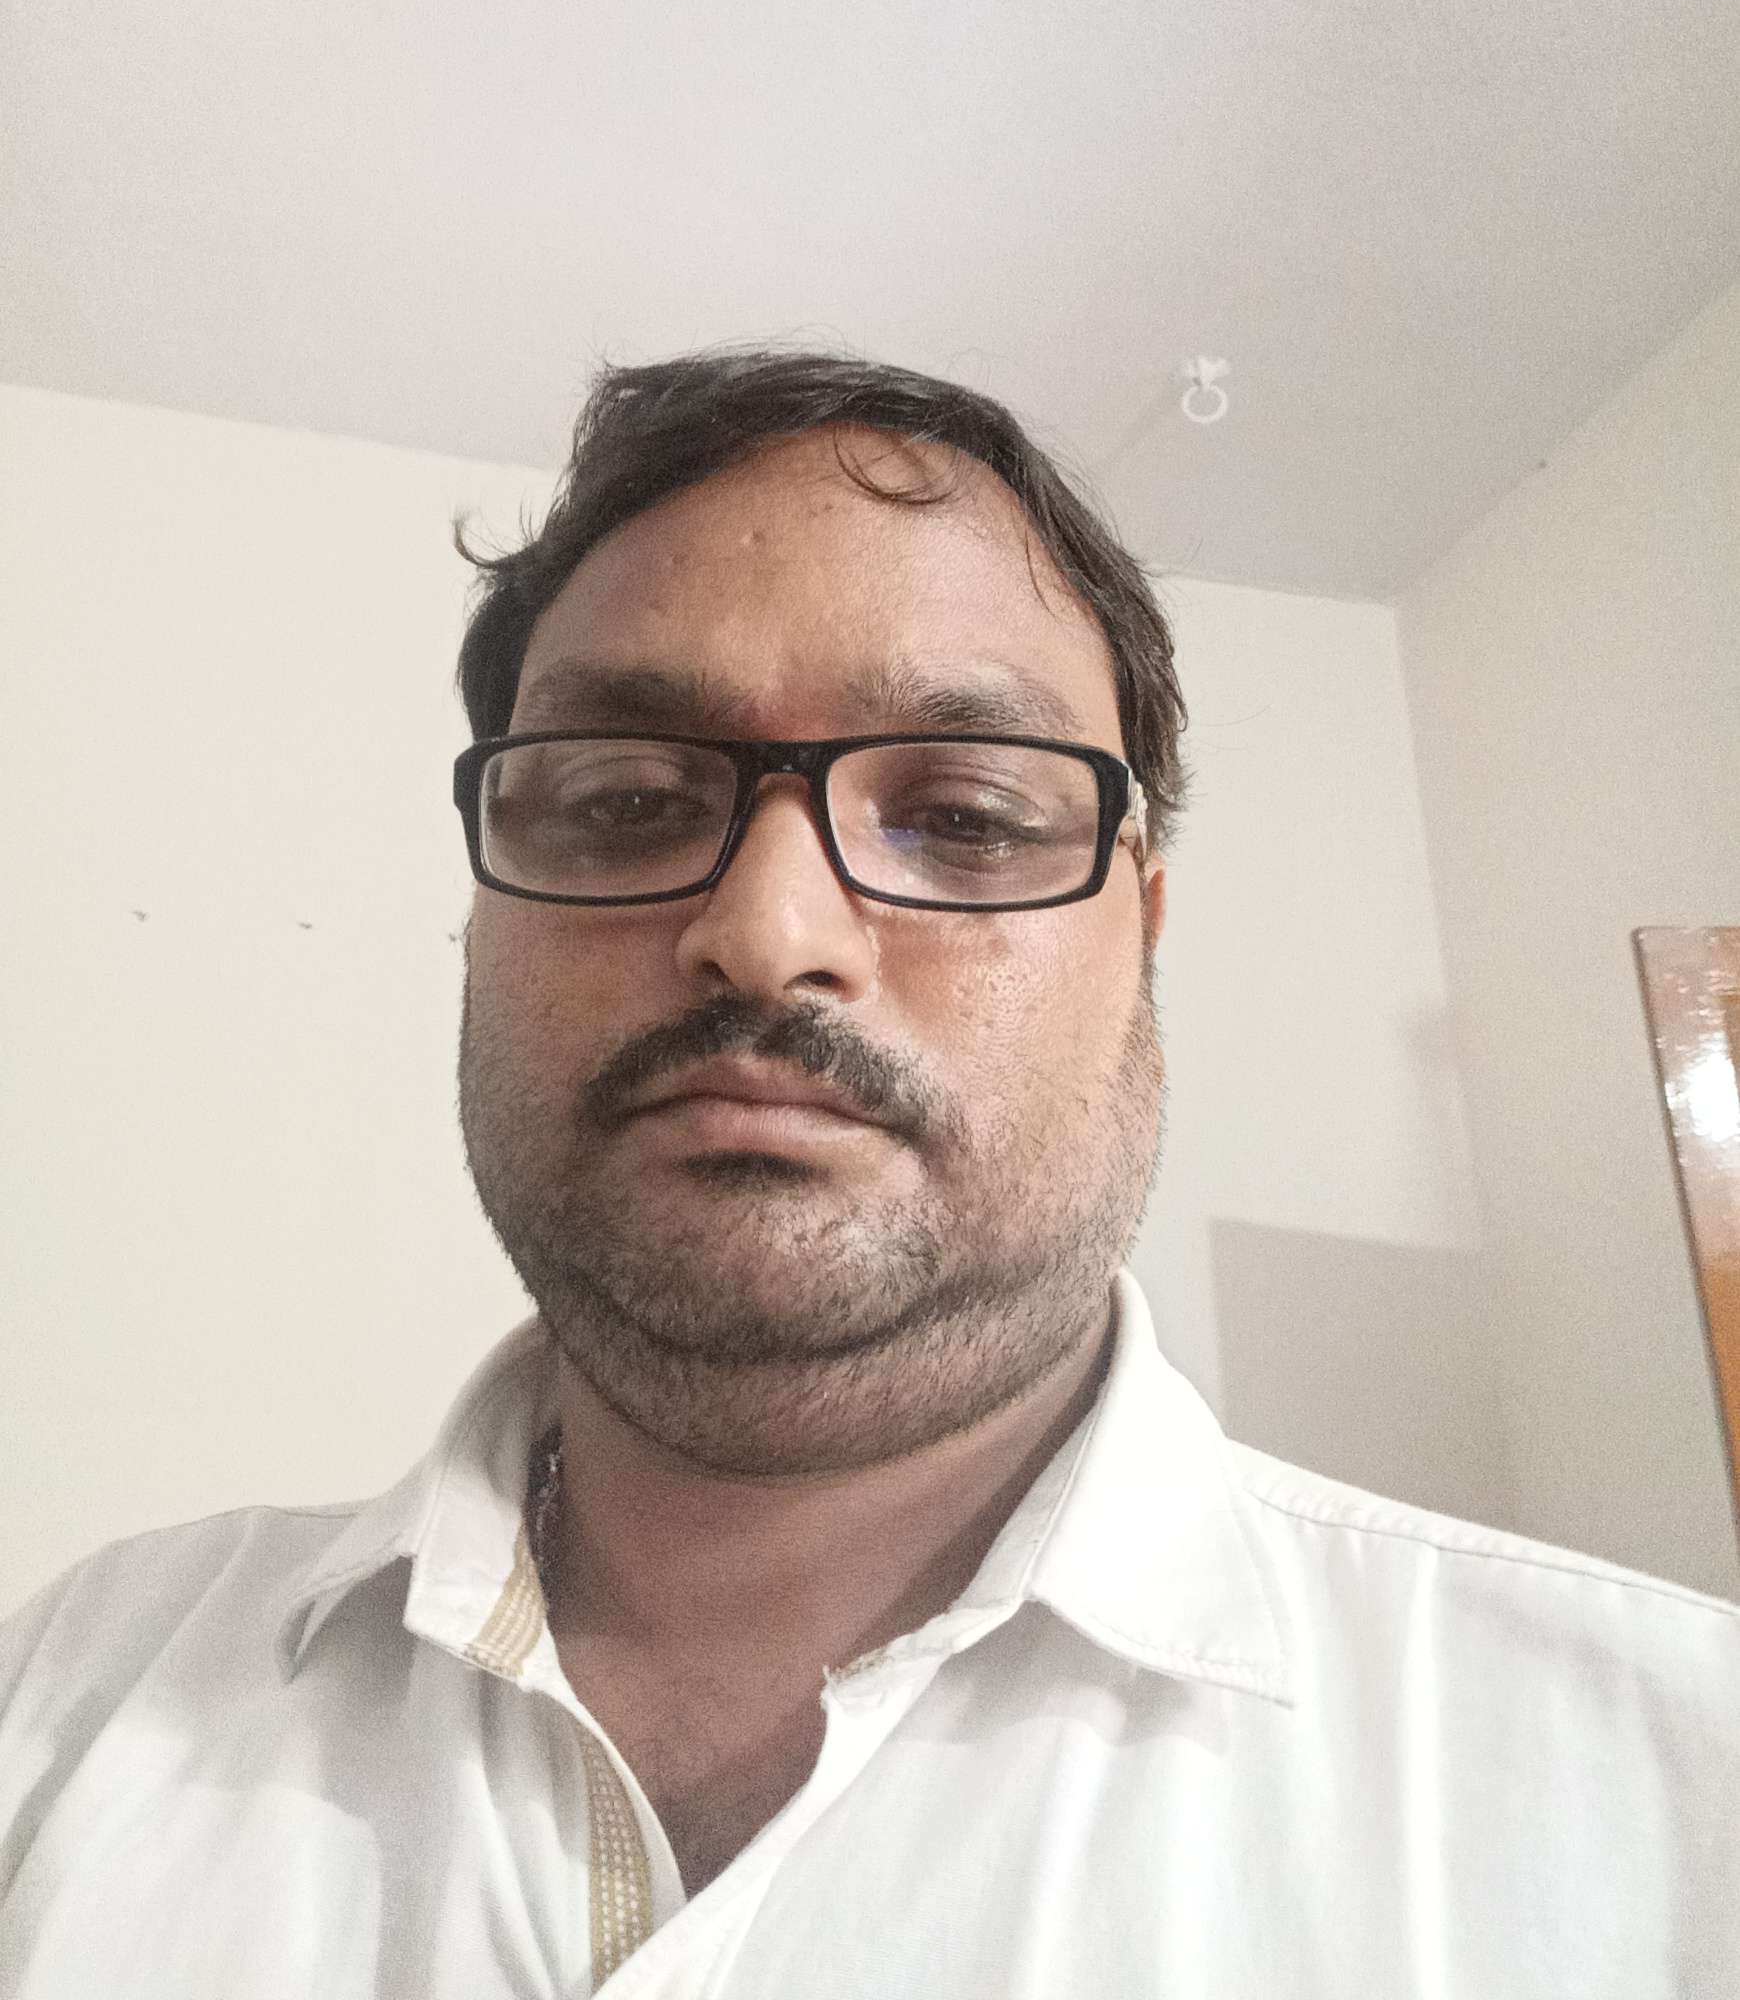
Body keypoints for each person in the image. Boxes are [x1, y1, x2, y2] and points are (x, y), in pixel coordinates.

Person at [1, 348, 1734, 1998]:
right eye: (621, 799)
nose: (768, 934)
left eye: (965, 817)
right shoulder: (71, 1699)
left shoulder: (1672, 1789)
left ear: (1139, 932)